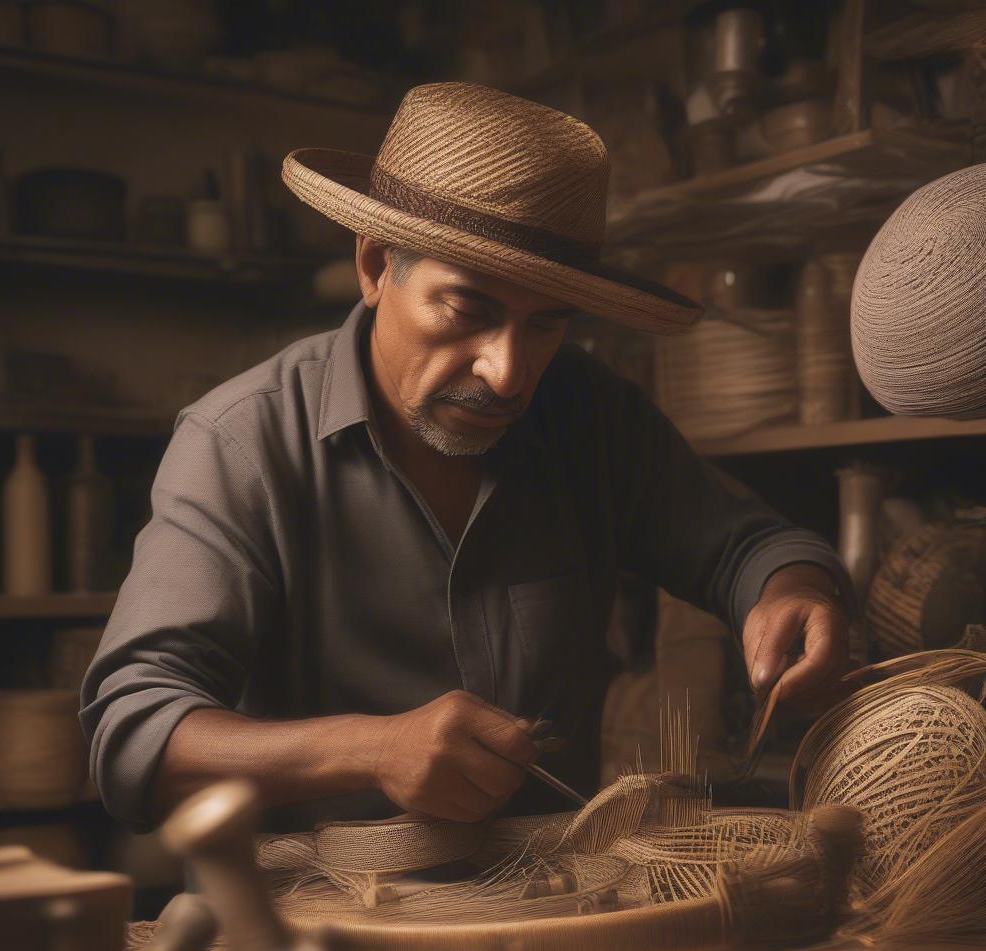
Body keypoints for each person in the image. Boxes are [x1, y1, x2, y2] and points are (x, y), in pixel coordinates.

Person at [80, 83, 852, 832]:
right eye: (468, 311)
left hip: (558, 910)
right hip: (309, 936)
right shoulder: (243, 444)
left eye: (546, 325)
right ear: (376, 265)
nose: (508, 372)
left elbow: (749, 547)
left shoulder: (587, 414)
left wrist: (791, 590)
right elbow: (132, 732)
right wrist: (371, 750)